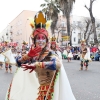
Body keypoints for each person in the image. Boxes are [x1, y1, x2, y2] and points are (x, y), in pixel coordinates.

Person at [6, 11, 76, 100]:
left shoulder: (50, 53)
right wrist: (28, 56)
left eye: (43, 38)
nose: (40, 41)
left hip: (50, 92)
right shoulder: (35, 56)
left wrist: (37, 65)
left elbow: (57, 64)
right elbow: (18, 63)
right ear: (34, 41)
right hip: (41, 91)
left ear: (47, 41)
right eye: (38, 38)